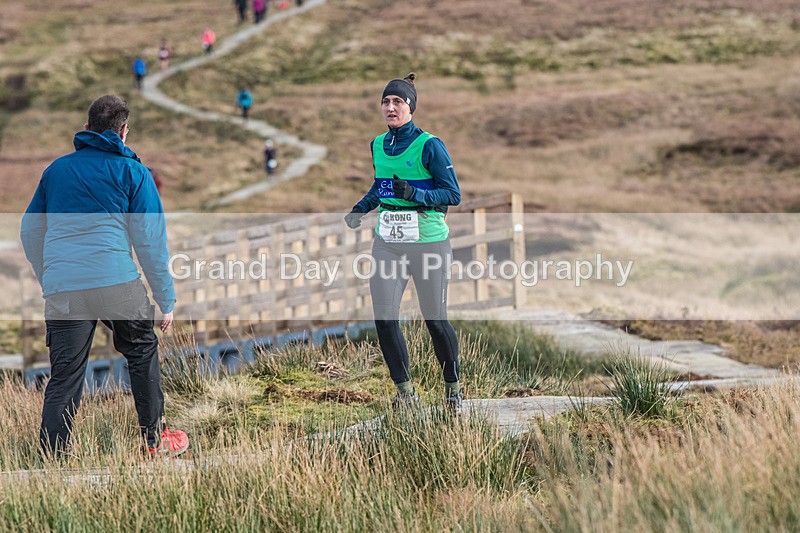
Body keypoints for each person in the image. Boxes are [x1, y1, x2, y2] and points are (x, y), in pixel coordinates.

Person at [20, 95, 188, 459]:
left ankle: (52, 457)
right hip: (117, 282)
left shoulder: (56, 171)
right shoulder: (134, 173)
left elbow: (30, 231)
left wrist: (49, 277)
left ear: (85, 129)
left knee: (65, 374)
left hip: (65, 288)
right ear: (124, 132)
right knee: (141, 351)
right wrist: (166, 299)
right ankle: (155, 442)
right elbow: (150, 240)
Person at [344, 73, 463, 413]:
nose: (391, 107)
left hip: (428, 243)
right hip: (389, 242)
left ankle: (452, 387)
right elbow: (380, 186)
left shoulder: (430, 145)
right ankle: (406, 394)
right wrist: (360, 208)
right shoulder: (378, 145)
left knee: (435, 318)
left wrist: (416, 193)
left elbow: (452, 193)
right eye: (386, 101)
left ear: (410, 106)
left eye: (398, 101)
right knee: (384, 318)